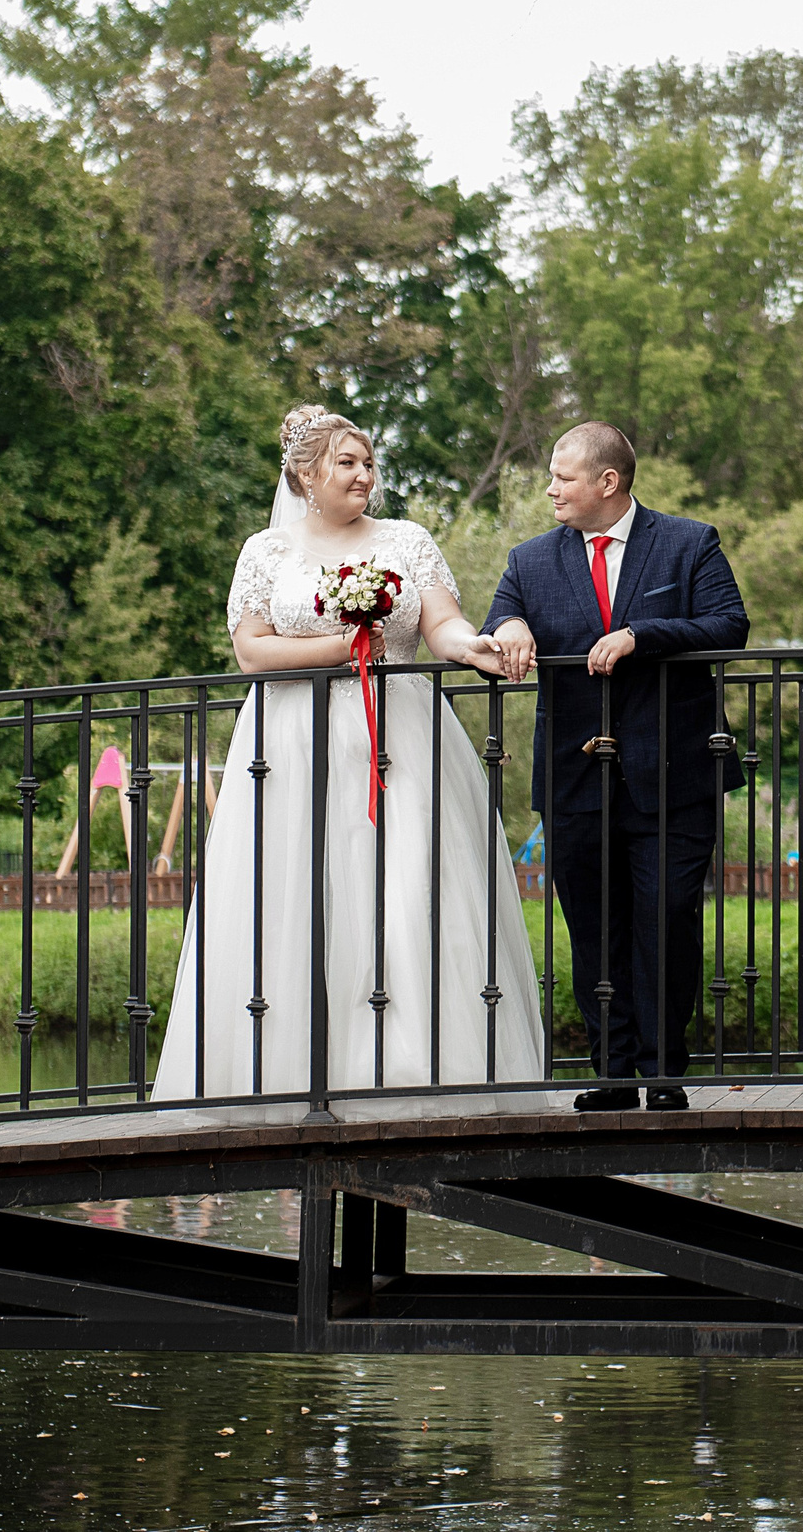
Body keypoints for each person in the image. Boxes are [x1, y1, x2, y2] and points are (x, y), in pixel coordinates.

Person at [151, 406, 542, 1102]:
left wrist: (471, 646)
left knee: (408, 889)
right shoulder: (266, 551)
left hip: (399, 737)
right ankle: (290, 1076)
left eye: (368, 463)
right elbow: (251, 650)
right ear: (306, 475)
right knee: (296, 894)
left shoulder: (406, 540)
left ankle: (413, 1069)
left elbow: (441, 622)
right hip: (292, 744)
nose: (364, 475)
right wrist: (341, 649)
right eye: (348, 463)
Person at [483, 422, 749, 1111]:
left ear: (609, 482)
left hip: (676, 773)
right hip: (575, 781)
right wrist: (509, 627)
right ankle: (614, 1073)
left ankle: (663, 1072)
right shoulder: (530, 559)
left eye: (563, 476)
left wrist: (642, 635)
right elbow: (501, 617)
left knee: (667, 919)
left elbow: (729, 624)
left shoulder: (690, 542)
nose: (551, 488)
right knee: (594, 931)